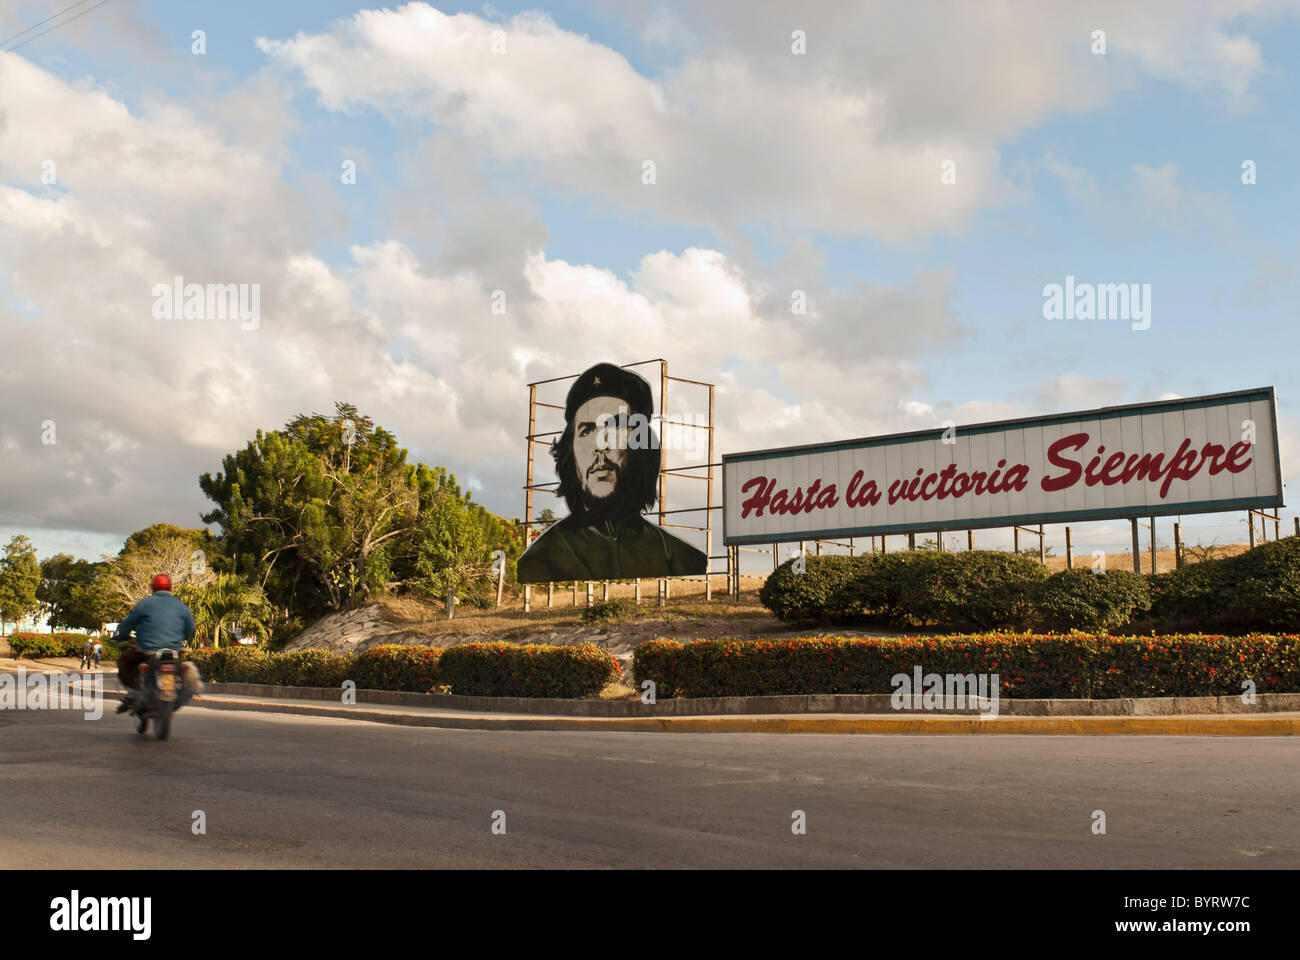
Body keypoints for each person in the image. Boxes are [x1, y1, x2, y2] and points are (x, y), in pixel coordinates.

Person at [516, 362, 708, 582]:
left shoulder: (682, 557)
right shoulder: (541, 559)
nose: (600, 444)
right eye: (587, 430)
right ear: (570, 449)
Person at [114, 574, 196, 714]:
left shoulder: (145, 603)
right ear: (170, 587)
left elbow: (128, 623)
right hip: (175, 651)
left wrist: (121, 635)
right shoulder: (180, 605)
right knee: (185, 671)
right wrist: (185, 638)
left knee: (124, 662)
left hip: (148, 651)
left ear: (153, 587)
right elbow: (191, 629)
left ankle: (134, 692)